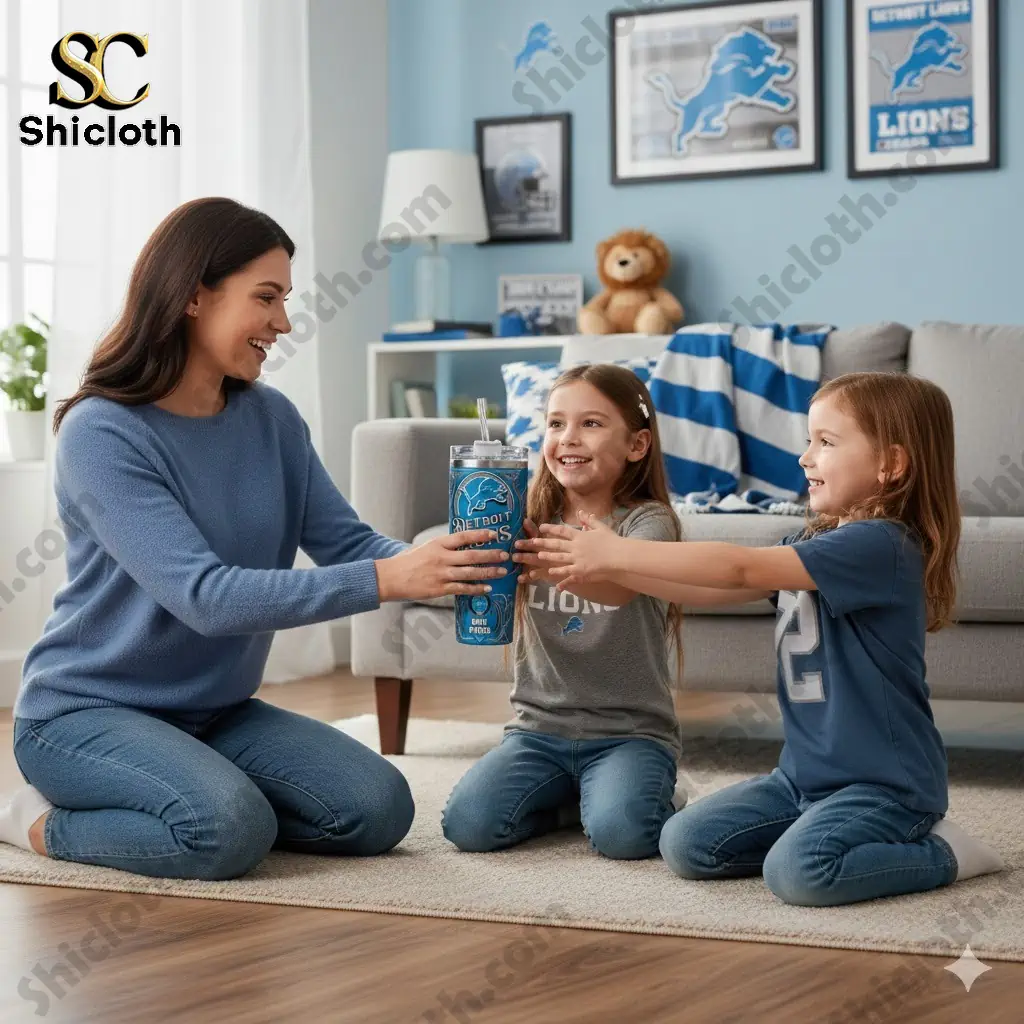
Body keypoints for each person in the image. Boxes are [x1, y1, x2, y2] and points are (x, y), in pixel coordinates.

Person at [0, 197, 508, 880]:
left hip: (217, 712)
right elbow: (206, 598)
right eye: (265, 297)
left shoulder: (272, 418)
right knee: (225, 830)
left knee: (377, 808)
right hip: (86, 715)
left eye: (286, 299)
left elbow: (347, 542)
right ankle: (31, 820)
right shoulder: (103, 433)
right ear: (192, 296)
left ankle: (201, 793)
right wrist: (393, 579)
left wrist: (459, 565)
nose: (285, 322)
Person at [519, 371, 1005, 905]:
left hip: (885, 787)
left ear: (890, 464)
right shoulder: (818, 540)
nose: (806, 458)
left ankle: (948, 853)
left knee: (800, 874)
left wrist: (617, 553)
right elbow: (707, 591)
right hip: (801, 781)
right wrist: (599, 575)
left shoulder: (882, 546)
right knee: (685, 845)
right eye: (808, 441)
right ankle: (809, 832)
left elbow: (740, 570)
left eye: (826, 442)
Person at [442, 364, 685, 860]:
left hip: (628, 735)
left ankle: (656, 796)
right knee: (468, 825)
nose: (568, 438)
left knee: (624, 837)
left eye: (591, 424)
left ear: (637, 445)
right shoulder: (527, 513)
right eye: (556, 424)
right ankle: (568, 808)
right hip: (537, 733)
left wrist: (550, 566)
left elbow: (621, 587)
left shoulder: (649, 522)